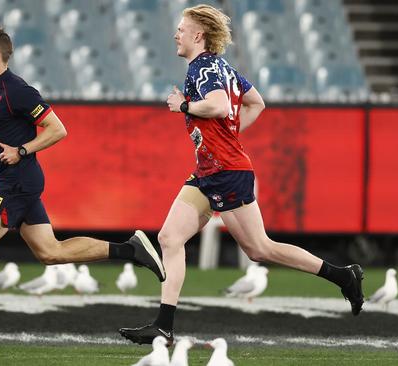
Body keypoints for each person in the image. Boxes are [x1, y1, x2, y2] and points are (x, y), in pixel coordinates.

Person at [118, 5, 364, 346]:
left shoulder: (202, 67)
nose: (176, 34)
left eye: (181, 29)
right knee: (169, 238)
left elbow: (218, 106)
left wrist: (185, 106)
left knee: (260, 249)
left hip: (226, 173)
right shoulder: (221, 66)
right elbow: (256, 102)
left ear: (198, 35)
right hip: (210, 171)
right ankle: (163, 325)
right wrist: (228, 139)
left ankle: (343, 276)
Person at [0, 28, 165, 349]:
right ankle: (131, 250)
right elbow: (0, 130)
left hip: (16, 181)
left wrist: (23, 150)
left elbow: (58, 129)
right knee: (50, 253)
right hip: (13, 180)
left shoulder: (19, 90)